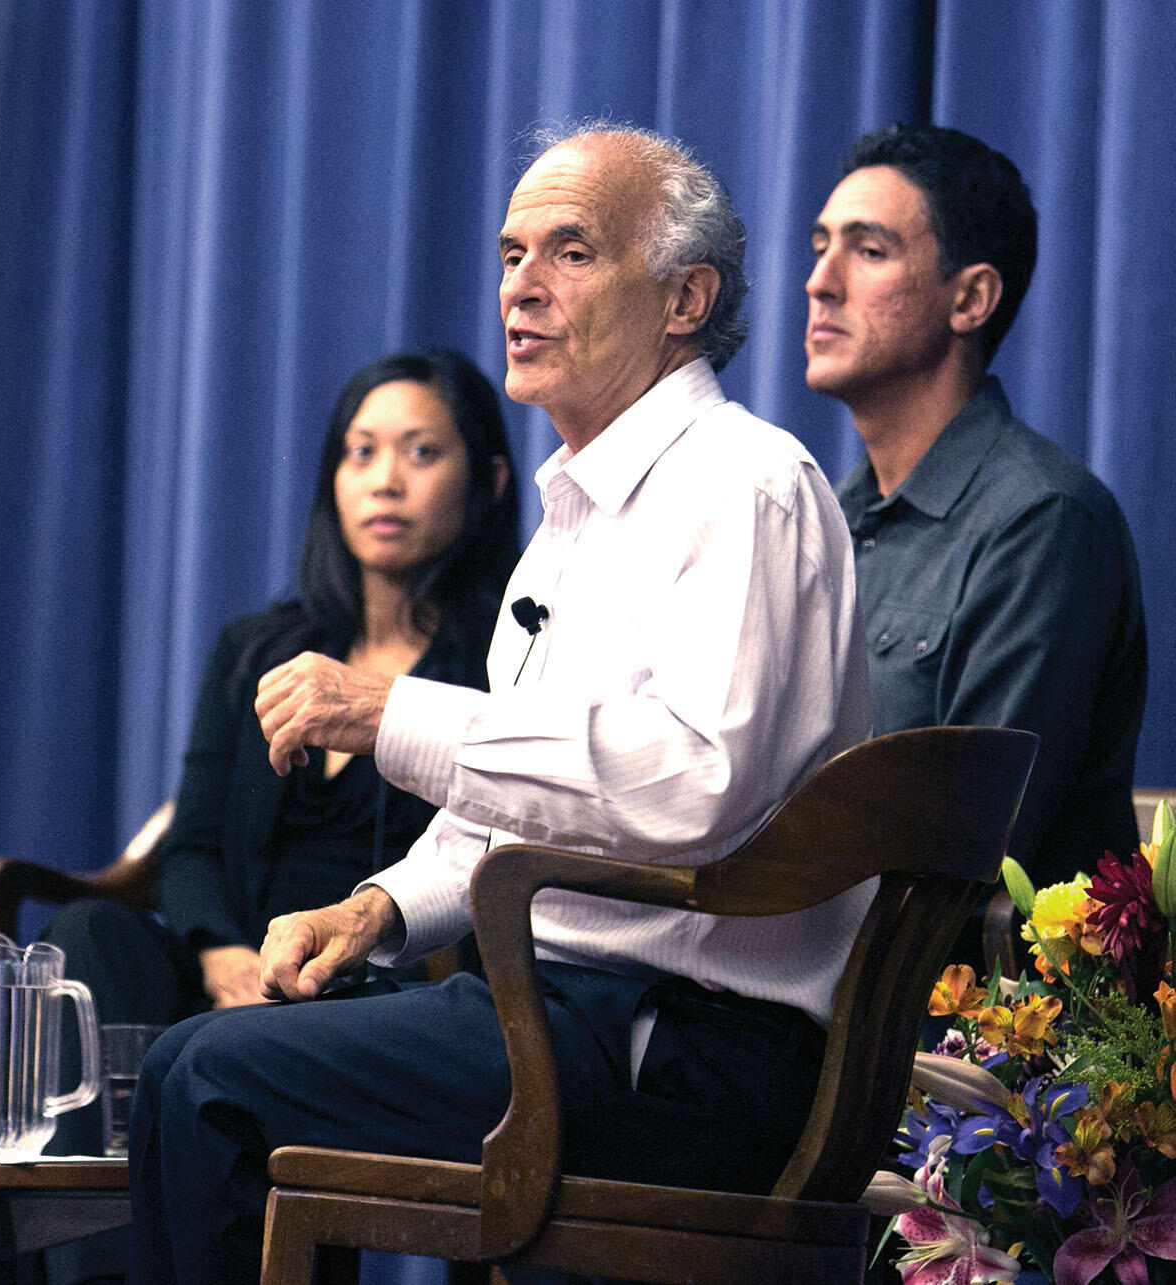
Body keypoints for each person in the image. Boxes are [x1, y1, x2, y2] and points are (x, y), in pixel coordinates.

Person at [127, 124, 868, 1285]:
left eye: (569, 252)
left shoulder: (745, 487)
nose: (521, 286)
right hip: (558, 1011)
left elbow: (690, 784)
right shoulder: (567, 531)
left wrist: (391, 712)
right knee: (204, 1061)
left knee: (201, 1075)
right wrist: (375, 909)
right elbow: (514, 811)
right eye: (511, 254)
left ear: (687, 297)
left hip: (679, 1040)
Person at [41, 348, 519, 1103]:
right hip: (235, 978)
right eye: (360, 453)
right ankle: (83, 1215)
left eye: (421, 453)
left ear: (488, 481)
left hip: (376, 986)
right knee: (92, 933)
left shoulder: (504, 662)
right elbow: (191, 844)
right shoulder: (258, 649)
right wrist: (220, 954)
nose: (384, 480)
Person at [805, 122, 1146, 888]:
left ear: (970, 298)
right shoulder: (823, 515)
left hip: (948, 996)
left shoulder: (1042, 518)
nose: (819, 281)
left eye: (867, 250)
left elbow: (962, 855)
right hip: (790, 959)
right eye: (819, 244)